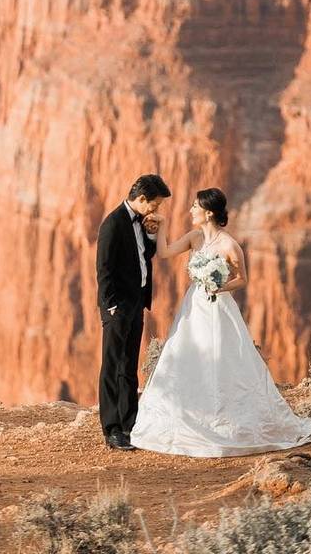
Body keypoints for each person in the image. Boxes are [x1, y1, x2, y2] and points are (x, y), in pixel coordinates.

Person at [129, 188, 311, 457]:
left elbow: (243, 279)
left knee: (220, 357)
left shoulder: (229, 244)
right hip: (194, 306)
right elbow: (166, 252)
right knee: (186, 356)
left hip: (218, 307)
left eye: (195, 207)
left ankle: (223, 418)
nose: (191, 210)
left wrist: (219, 286)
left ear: (208, 213)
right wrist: (163, 227)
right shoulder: (195, 238)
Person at [95, 174, 171, 450]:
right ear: (141, 199)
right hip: (117, 307)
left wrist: (151, 233)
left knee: (128, 366)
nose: (156, 209)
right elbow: (103, 269)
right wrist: (110, 305)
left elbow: (143, 255)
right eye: (155, 204)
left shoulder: (141, 222)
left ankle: (130, 424)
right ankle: (112, 429)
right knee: (112, 365)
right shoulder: (113, 224)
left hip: (136, 302)